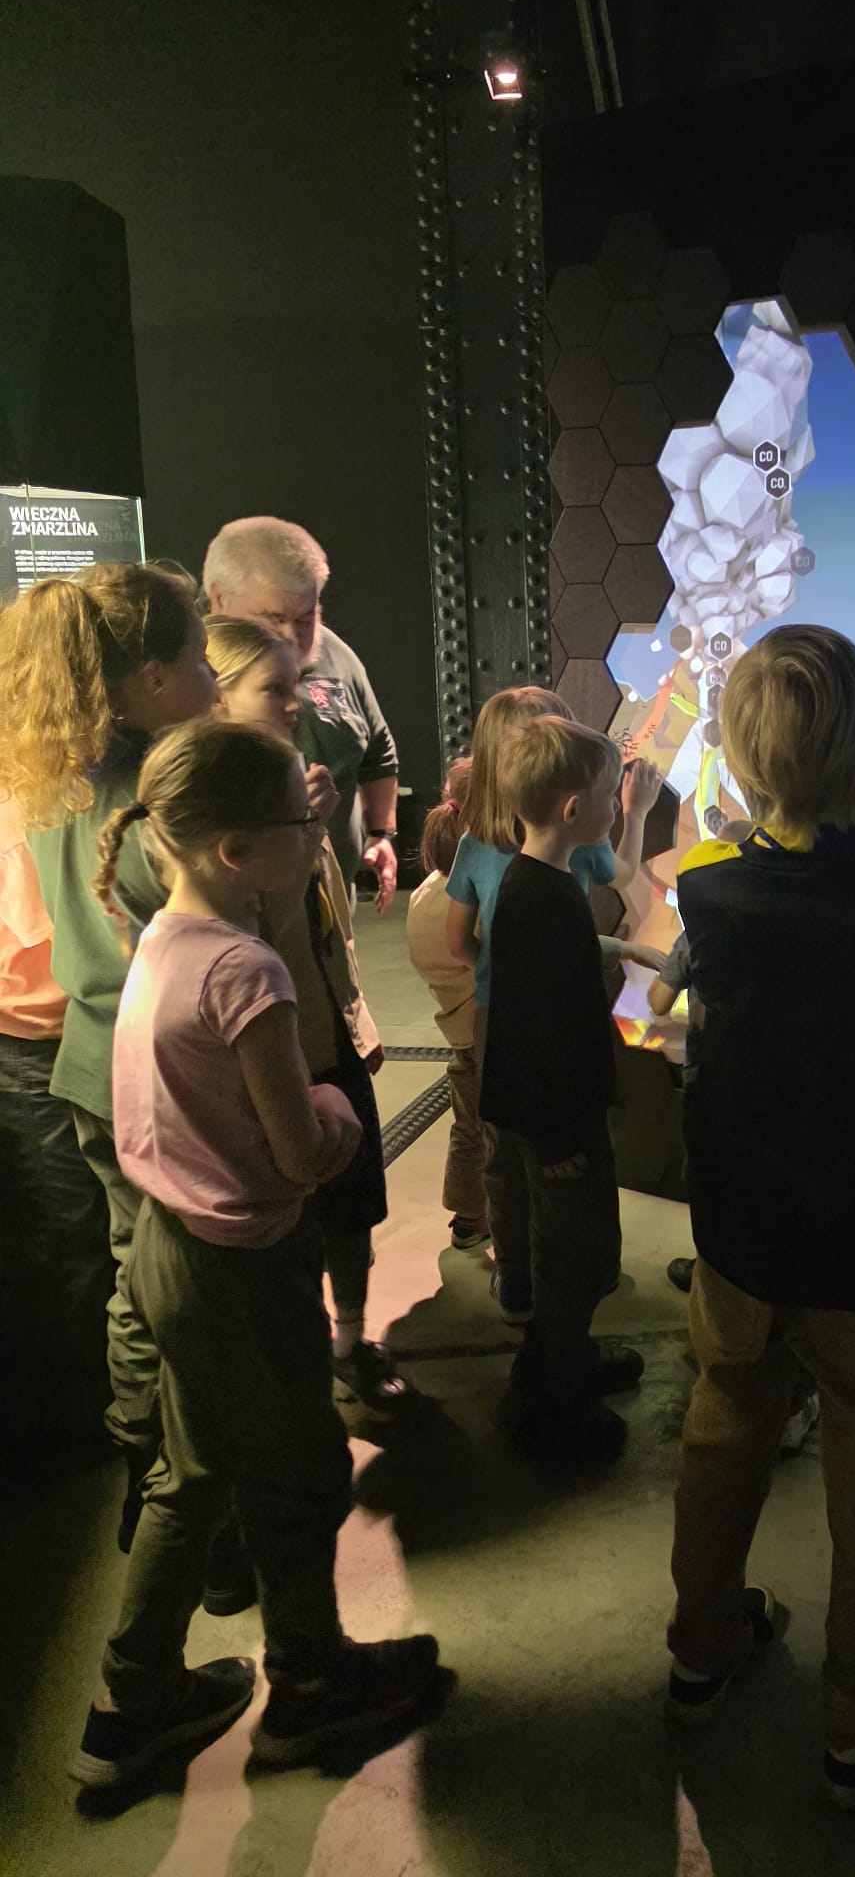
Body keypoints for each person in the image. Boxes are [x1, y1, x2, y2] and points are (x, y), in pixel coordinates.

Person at [70, 715, 438, 1788]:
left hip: (168, 1248)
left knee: (190, 1475)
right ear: (237, 849)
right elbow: (303, 1149)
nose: (318, 831)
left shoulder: (162, 940)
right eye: (301, 820)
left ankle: (130, 1703)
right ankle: (311, 1690)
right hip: (244, 1265)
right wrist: (340, 1110)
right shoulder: (247, 971)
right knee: (300, 1475)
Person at [663, 625, 855, 1812]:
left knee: (722, 1427)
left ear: (741, 758)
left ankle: (701, 1650)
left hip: (740, 1231)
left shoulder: (709, 890)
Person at [0, 562, 219, 1549]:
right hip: (135, 1065)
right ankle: (185, 1495)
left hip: (84, 1056)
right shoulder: (145, 798)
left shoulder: (61, 779)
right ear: (154, 676)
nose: (214, 678)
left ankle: (140, 1459)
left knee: (127, 1271)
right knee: (169, 1285)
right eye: (201, 658)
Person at [206, 616, 405, 1412]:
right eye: (274, 690)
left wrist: (357, 1021)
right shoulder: (216, 819)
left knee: (353, 1205)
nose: (295, 705)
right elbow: (253, 936)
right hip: (271, 1050)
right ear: (217, 697)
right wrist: (304, 830)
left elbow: (330, 930)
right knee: (289, 1219)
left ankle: (351, 1342)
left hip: (330, 1038)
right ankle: (301, 1358)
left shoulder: (297, 786)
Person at [445, 685, 662, 1319]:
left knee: (506, 1155)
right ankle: (582, 1287)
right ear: (571, 804)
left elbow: (459, 941)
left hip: (496, 1020)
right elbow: (622, 878)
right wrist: (636, 814)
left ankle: (516, 1277)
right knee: (572, 1166)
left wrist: (504, 976)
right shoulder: (568, 860)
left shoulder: (478, 846)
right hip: (554, 1040)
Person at [478, 715, 643, 1465]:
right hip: (557, 1125)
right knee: (571, 1257)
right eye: (611, 797)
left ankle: (565, 1362)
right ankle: (553, 1406)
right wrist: (558, 1143)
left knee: (579, 1248)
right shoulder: (540, 896)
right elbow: (542, 1033)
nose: (616, 807)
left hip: (556, 1117)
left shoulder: (536, 883)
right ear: (575, 810)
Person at [648, 933, 821, 1460]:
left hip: (716, 1091)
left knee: (726, 1216)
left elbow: (660, 1002)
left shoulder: (703, 931)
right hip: (792, 1107)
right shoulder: (812, 938)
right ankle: (791, 1403)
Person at [202, 516, 400, 910]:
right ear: (219, 598)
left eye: (305, 619)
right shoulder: (190, 673)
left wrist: (381, 834)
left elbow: (378, 751)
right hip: (244, 915)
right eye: (273, 619)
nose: (291, 637)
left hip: (331, 906)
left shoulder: (337, 656)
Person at [0, 794, 111, 1465]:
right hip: (33, 1039)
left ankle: (95, 1406)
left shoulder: (54, 795)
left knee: (82, 1229)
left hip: (73, 1032)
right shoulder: (24, 808)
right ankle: (82, 1418)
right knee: (73, 1233)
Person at [406, 757, 492, 1252]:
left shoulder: (425, 892)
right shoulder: (472, 894)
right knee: (493, 1132)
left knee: (468, 1126)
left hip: (458, 1029)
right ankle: (493, 1222)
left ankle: (468, 1215)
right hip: (484, 1029)